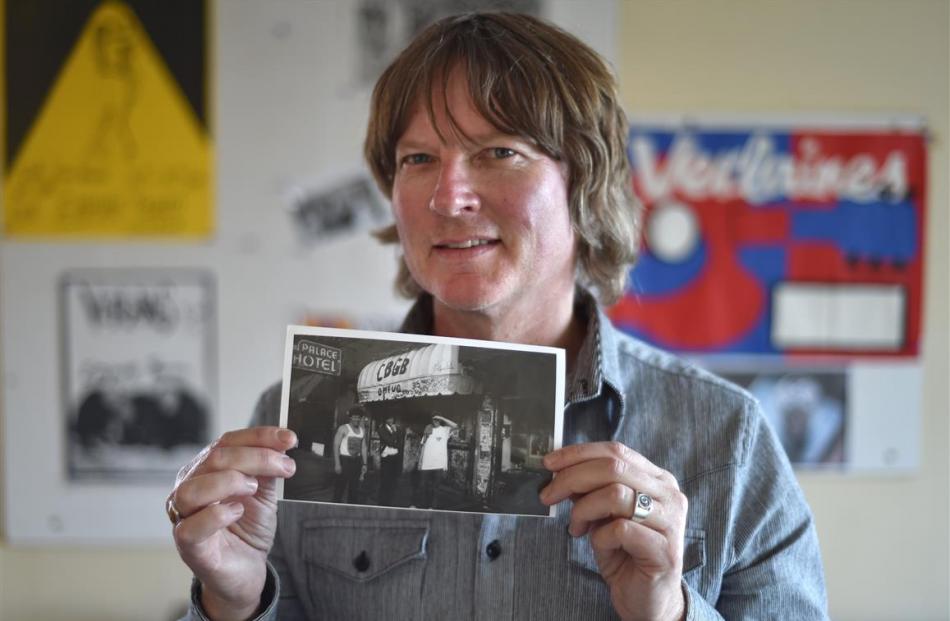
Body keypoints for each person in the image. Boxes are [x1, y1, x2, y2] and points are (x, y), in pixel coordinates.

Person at [169, 12, 828, 620]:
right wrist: (234, 602)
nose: (449, 197)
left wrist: (670, 609)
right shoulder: (288, 428)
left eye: (499, 152)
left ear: (585, 184)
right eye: (418, 158)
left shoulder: (724, 438)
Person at [415, 413, 458, 508]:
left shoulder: (445, 430)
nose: (436, 421)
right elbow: (423, 446)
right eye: (434, 419)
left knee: (436, 488)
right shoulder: (428, 430)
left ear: (440, 420)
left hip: (439, 464)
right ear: (431, 420)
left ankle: (432, 507)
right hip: (426, 463)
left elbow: (455, 426)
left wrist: (442, 417)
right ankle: (420, 505)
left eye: (438, 419)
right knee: (422, 485)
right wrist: (420, 462)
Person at [332, 405, 368, 503]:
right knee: (340, 488)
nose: (357, 419)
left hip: (356, 462)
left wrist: (365, 464)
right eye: (354, 417)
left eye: (359, 417)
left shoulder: (362, 431)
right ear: (350, 417)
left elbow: (364, 447)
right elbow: (336, 446)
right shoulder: (343, 428)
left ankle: (350, 510)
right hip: (345, 461)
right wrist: (337, 464)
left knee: (354, 490)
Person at [376, 415, 403, 506]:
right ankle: (382, 503)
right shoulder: (381, 429)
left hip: (395, 457)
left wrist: (394, 442)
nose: (391, 420)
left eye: (392, 418)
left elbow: (400, 444)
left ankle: (390, 503)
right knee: (385, 481)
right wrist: (395, 434)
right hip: (386, 458)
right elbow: (390, 441)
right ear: (385, 419)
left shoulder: (398, 429)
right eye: (388, 418)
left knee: (393, 481)